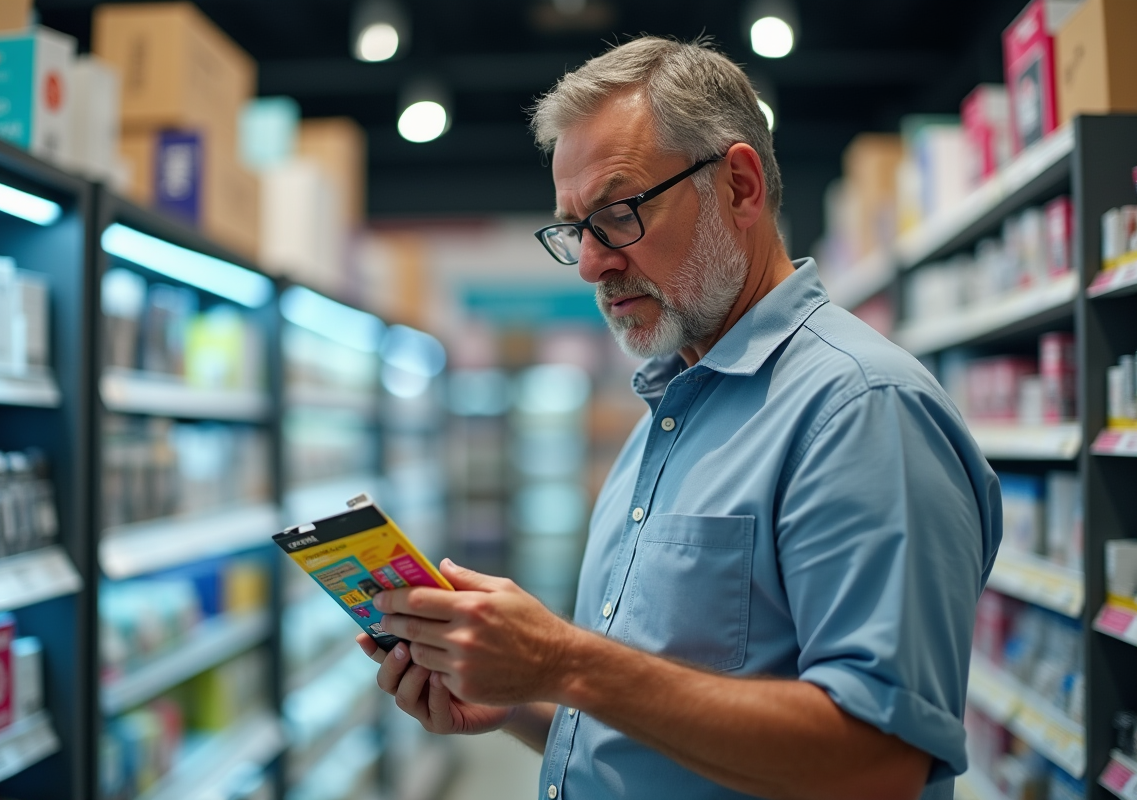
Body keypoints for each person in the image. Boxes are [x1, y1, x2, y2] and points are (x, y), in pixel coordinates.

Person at [356, 35, 1001, 800]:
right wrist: (521, 703)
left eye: (618, 213)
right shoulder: (669, 412)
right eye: (573, 229)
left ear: (738, 185)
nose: (592, 262)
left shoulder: (860, 408)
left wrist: (566, 660)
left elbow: (880, 762)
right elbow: (663, 723)